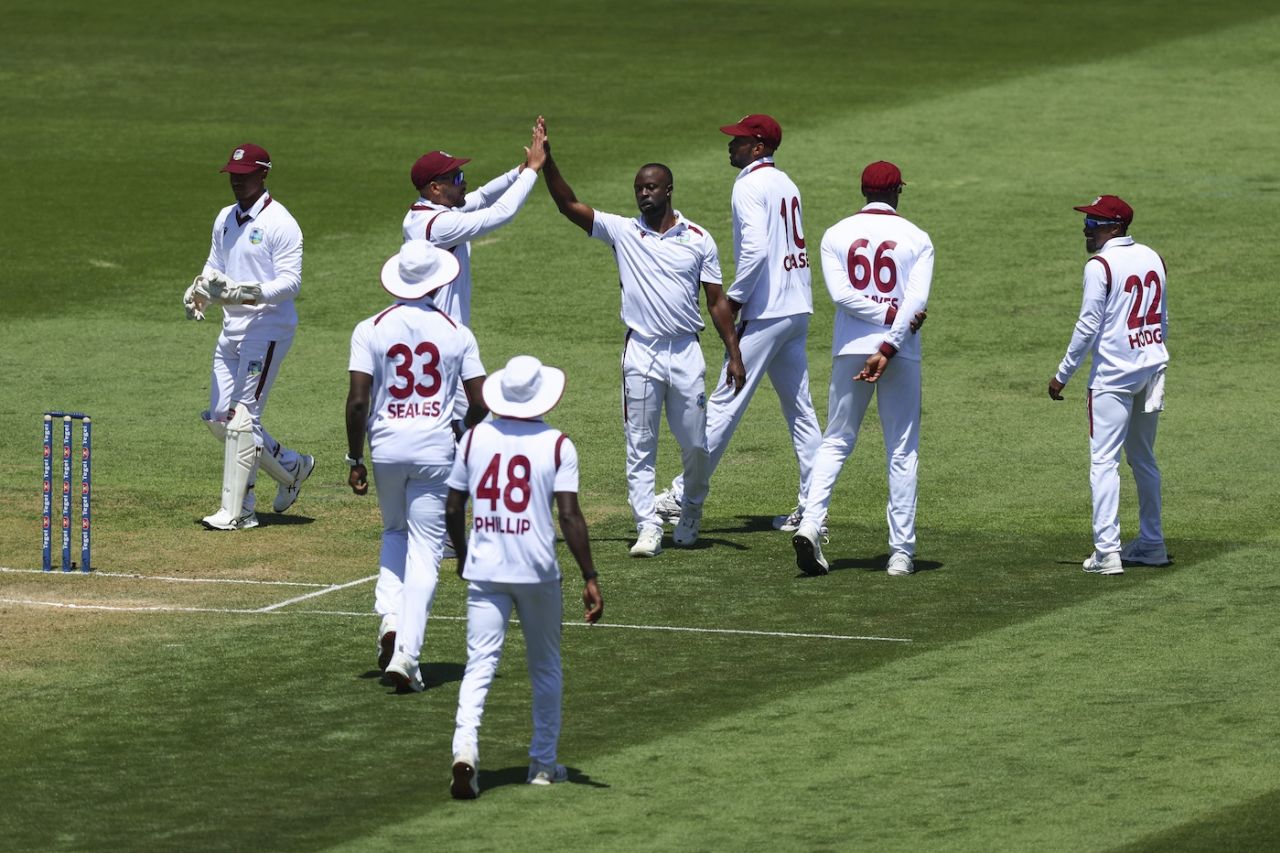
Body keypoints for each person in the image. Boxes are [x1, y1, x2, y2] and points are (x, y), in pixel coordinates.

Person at [541, 119, 745, 556]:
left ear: (668, 189)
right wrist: (547, 161)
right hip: (641, 352)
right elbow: (568, 205)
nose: (644, 193)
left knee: (695, 443)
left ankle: (690, 509)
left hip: (686, 351)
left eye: (651, 187)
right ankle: (647, 525)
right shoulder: (622, 231)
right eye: (639, 188)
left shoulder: (698, 239)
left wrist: (734, 354)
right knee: (640, 443)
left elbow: (716, 302)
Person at [654, 114, 822, 532]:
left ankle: (681, 494)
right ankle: (815, 508)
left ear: (759, 147)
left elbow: (756, 250)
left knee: (724, 403)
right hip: (797, 306)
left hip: (765, 311)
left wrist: (734, 298)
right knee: (801, 412)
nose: (732, 146)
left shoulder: (748, 184)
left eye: (741, 141)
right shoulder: (786, 183)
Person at [446, 355, 603, 799]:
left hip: (486, 569)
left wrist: (461, 555)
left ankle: (465, 749)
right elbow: (569, 516)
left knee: (479, 667)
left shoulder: (474, 439)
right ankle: (543, 764)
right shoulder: (557, 445)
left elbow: (454, 506)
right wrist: (589, 574)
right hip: (537, 572)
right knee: (546, 669)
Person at [344, 240, 488, 691]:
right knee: (426, 550)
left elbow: (357, 401)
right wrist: (461, 429)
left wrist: (355, 458)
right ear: (439, 281)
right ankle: (406, 653)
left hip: (386, 447)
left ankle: (390, 618)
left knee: (393, 533)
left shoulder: (370, 328)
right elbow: (482, 400)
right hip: (434, 449)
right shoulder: (456, 332)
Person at [792, 161, 931, 577]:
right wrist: (891, 334)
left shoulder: (835, 233)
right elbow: (915, 305)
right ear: (898, 192)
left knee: (836, 440)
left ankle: (811, 523)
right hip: (901, 349)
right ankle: (901, 553)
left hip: (851, 347)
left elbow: (842, 296)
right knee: (901, 449)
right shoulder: (917, 238)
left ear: (863, 190)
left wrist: (882, 320)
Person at [183, 143, 314, 531]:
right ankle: (291, 467)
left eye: (245, 176)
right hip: (232, 328)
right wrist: (198, 292)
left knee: (243, 419)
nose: (237, 182)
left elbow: (291, 282)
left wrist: (247, 292)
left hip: (268, 328)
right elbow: (214, 265)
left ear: (264, 174)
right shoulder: (225, 218)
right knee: (222, 418)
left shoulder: (281, 223)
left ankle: (240, 510)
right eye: (233, 176)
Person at [1049, 195, 1170, 575]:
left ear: (1115, 227)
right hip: (1151, 368)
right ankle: (1152, 543)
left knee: (1104, 463)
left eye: (1094, 224)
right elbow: (1163, 318)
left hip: (1114, 376)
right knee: (1144, 460)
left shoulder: (1099, 265)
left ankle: (1107, 552)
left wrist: (1062, 374)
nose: (1086, 230)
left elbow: (1088, 326)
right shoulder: (1153, 257)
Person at [403, 122, 546, 431]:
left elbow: (479, 198)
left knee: (463, 425)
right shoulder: (439, 226)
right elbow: (499, 214)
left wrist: (518, 172)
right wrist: (533, 171)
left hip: (434, 338)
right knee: (477, 425)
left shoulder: (422, 214)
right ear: (435, 188)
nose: (463, 182)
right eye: (456, 178)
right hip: (443, 345)